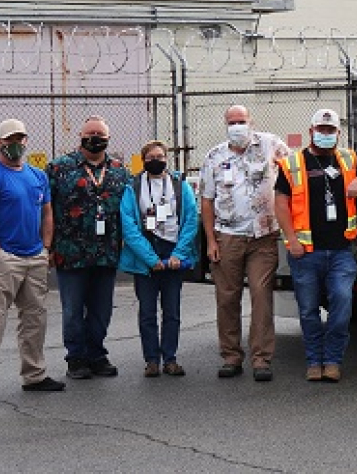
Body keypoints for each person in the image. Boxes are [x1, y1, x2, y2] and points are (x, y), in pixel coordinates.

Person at [274, 108, 357, 383]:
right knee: (308, 310)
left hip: (342, 251)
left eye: (331, 131)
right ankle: (315, 361)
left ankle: (333, 360)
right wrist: (290, 239)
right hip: (305, 252)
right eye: (321, 130)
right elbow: (280, 204)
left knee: (342, 304)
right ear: (311, 131)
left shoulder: (348, 159)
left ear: (338, 133)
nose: (326, 135)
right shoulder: (292, 164)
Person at [0, 119, 65, 406]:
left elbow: (46, 212)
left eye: (21, 138)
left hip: (34, 257)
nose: (16, 144)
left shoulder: (37, 176)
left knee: (35, 319)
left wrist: (45, 248)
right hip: (2, 261)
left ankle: (34, 375)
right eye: (10, 139)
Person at [200, 104, 290, 382]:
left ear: (251, 121)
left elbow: (294, 173)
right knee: (227, 298)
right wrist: (210, 240)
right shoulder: (214, 156)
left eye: (241, 120)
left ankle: (261, 358)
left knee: (261, 298)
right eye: (232, 122)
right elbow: (206, 200)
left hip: (263, 237)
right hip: (227, 236)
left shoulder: (271, 144)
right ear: (225, 124)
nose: (237, 126)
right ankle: (231, 356)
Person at [47, 115, 129, 381]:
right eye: (90, 133)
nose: (95, 138)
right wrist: (47, 245)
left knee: (101, 308)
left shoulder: (119, 170)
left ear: (108, 139)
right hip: (70, 252)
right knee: (72, 308)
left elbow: (128, 211)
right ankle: (76, 358)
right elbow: (45, 209)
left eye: (100, 134)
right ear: (81, 136)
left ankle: (96, 354)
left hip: (106, 252)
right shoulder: (59, 168)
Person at [120, 141, 200, 378]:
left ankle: (171, 358)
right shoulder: (132, 187)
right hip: (145, 253)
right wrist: (149, 258)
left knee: (172, 311)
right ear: (143, 160)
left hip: (173, 251)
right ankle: (152, 360)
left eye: (160, 155)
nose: (156, 159)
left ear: (167, 158)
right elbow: (129, 226)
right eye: (151, 156)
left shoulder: (179, 184)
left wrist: (178, 254)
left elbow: (190, 220)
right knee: (147, 311)